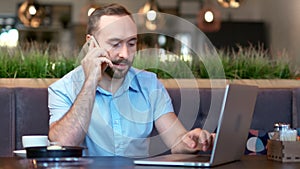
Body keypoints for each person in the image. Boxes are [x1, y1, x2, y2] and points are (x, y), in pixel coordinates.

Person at [48, 3, 214, 157]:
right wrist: (91, 81)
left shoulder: (150, 85)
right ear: (91, 44)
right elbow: (63, 143)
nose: (125, 55)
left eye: (131, 44)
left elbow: (176, 140)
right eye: (115, 44)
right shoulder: (63, 88)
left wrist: (193, 142)